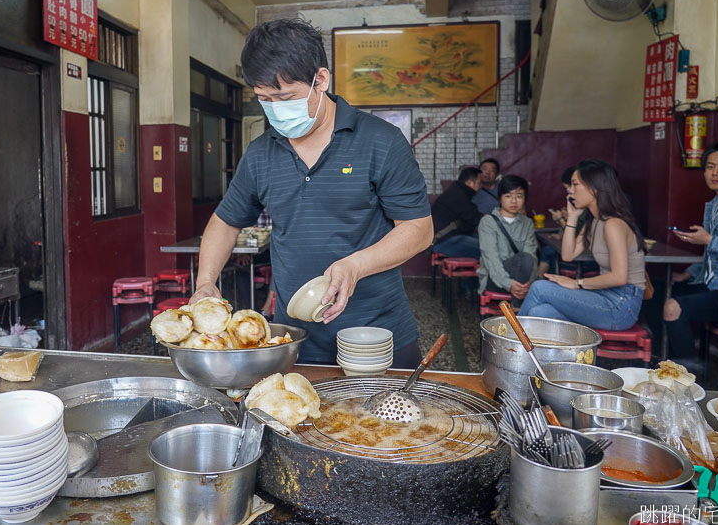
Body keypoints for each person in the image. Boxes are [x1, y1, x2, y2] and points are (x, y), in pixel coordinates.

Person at [189, 18, 434, 367]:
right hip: (294, 337)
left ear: (321, 79)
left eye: (285, 97)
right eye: (264, 99)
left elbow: (418, 229)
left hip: (377, 334)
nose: (275, 108)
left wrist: (354, 266)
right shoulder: (261, 152)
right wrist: (205, 283)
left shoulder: (381, 141)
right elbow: (225, 222)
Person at [519, 159, 646, 330]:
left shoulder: (613, 224)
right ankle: (533, 354)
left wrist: (576, 283)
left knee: (539, 287)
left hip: (621, 305)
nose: (570, 192)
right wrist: (572, 217)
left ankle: (508, 348)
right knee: (538, 312)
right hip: (603, 296)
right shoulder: (594, 221)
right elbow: (568, 255)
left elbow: (619, 277)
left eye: (575, 185)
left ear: (594, 188)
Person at [662, 141, 718, 366]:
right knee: (659, 291)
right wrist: (688, 274)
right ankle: (665, 364)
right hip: (710, 283)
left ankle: (686, 380)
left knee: (673, 307)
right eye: (709, 167)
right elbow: (712, 256)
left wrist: (709, 240)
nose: (715, 173)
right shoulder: (714, 205)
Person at [477, 175, 538, 307]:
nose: (514, 201)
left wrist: (530, 281)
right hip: (495, 279)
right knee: (524, 259)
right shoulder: (488, 222)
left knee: (527, 258)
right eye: (508, 196)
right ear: (500, 198)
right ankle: (518, 310)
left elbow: (532, 254)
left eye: (519, 196)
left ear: (525, 199)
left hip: (521, 280)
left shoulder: (527, 223)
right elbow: (491, 259)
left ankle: (517, 308)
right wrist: (509, 284)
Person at [430, 167, 484, 259]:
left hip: (452, 237)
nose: (480, 187)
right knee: (487, 249)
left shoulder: (457, 192)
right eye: (479, 183)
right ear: (470, 182)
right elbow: (475, 218)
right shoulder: (458, 196)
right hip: (444, 241)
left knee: (486, 243)